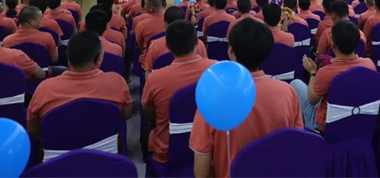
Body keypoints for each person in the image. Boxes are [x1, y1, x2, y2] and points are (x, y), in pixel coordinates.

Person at [191, 19, 302, 178]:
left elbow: (201, 172)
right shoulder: (288, 92)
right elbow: (295, 145)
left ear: (230, 51)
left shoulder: (211, 98)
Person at [27, 32, 133, 148]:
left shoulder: (44, 89)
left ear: (68, 59)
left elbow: (32, 128)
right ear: (99, 59)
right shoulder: (116, 82)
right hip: (104, 155)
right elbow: (126, 113)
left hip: (59, 157)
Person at [142, 20, 216, 165]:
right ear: (197, 42)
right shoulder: (217, 71)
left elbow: (149, 112)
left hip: (168, 150)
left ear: (168, 46)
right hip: (211, 149)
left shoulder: (155, 79)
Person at [292, 21, 375, 131]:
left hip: (328, 124)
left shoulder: (326, 72)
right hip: (359, 118)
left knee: (295, 84)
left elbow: (312, 100)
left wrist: (313, 72)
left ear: (333, 45)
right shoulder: (369, 65)